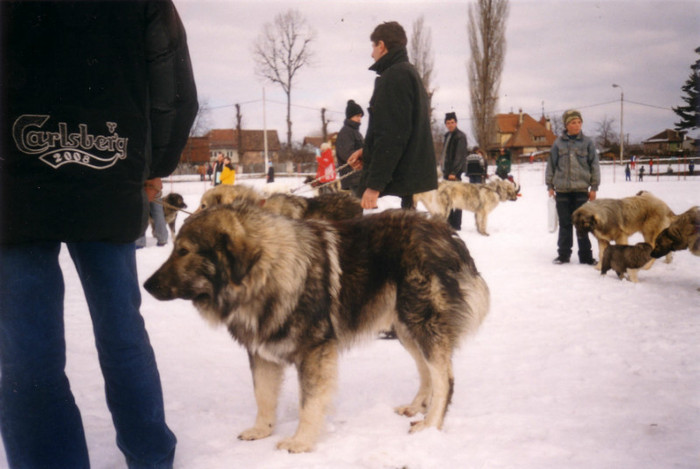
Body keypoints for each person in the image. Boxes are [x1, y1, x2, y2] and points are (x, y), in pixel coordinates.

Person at [0, 2, 198, 468]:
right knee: (121, 330)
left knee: (27, 350)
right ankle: (150, 456)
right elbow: (173, 89)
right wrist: (154, 167)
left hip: (17, 177)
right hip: (109, 168)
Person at [347, 21, 437, 209]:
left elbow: (392, 136)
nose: (372, 54)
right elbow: (402, 131)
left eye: (373, 47)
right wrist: (368, 152)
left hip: (393, 190)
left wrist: (374, 185)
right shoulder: (408, 73)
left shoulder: (395, 77)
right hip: (406, 187)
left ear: (381, 45)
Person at [545, 109, 600, 265]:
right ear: (567, 125)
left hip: (581, 191)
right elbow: (551, 166)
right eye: (573, 122)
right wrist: (550, 185)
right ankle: (563, 255)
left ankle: (586, 257)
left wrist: (594, 188)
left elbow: (594, 166)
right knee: (565, 224)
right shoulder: (558, 143)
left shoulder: (588, 143)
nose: (577, 125)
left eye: (579, 122)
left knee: (583, 225)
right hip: (562, 191)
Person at [442, 112, 468, 229]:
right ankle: (449, 222)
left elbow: (459, 156)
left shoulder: (460, 136)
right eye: (448, 123)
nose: (450, 125)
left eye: (452, 122)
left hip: (454, 174)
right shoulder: (447, 136)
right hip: (447, 173)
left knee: (456, 199)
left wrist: (454, 172)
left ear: (456, 123)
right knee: (447, 198)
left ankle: (456, 224)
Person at [335, 100, 365, 196]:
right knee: (357, 205)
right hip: (352, 175)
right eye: (357, 116)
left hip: (358, 175)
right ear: (350, 116)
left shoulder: (355, 132)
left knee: (360, 206)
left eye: (360, 116)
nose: (359, 119)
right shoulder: (346, 132)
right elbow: (347, 154)